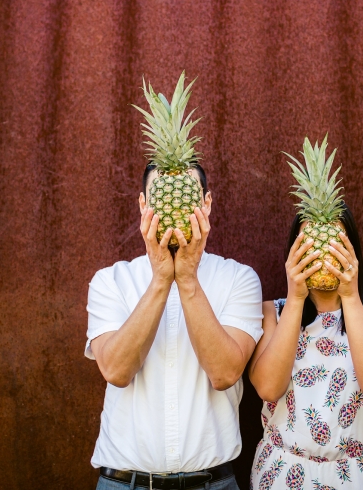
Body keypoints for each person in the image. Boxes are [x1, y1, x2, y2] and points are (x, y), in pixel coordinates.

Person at [85, 163, 264, 490]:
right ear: (143, 206)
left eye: (185, 196)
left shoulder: (239, 279)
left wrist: (186, 279)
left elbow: (224, 373)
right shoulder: (110, 281)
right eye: (163, 195)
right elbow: (116, 370)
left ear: (206, 205)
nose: (175, 207)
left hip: (213, 484)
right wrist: (161, 280)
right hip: (125, 484)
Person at [248, 204, 363, 490]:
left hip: (356, 478)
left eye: (334, 243)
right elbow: (268, 388)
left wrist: (349, 294)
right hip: (283, 475)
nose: (322, 254)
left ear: (352, 250)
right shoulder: (272, 313)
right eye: (309, 244)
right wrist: (295, 298)